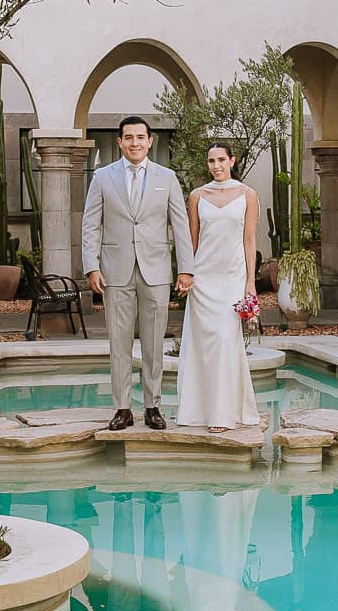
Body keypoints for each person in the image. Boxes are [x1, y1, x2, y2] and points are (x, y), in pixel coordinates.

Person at [83, 116, 195, 431]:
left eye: (140, 137)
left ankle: (153, 407)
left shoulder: (167, 177)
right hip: (114, 272)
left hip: (156, 271)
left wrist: (186, 269)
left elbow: (180, 226)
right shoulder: (103, 177)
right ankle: (122, 408)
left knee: (153, 343)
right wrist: (91, 265)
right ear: (119, 142)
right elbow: (91, 223)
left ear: (150, 141)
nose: (134, 143)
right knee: (118, 343)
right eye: (128, 137)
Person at [175, 143, 260, 431]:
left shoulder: (248, 195)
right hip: (204, 280)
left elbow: (250, 241)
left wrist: (250, 282)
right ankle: (198, 412)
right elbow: (192, 241)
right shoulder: (197, 196)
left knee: (226, 341)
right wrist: (187, 276)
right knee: (203, 347)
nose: (216, 165)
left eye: (221, 159)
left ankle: (224, 415)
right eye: (211, 160)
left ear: (232, 161)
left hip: (233, 278)